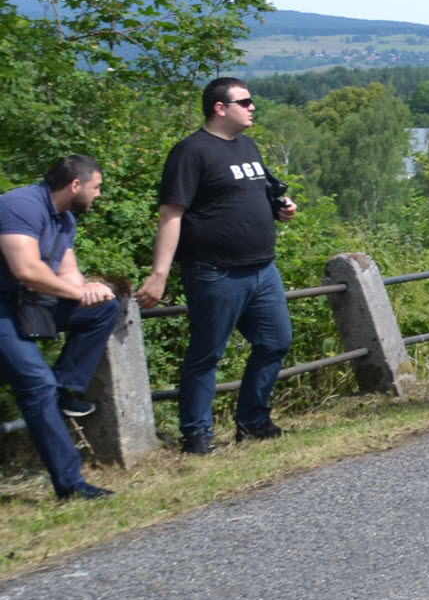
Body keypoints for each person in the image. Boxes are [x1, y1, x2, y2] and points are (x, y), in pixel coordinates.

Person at [140, 76, 300, 451]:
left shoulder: (247, 146)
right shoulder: (190, 152)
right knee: (206, 354)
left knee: (275, 342)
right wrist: (159, 274)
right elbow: (171, 214)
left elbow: (254, 194)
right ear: (220, 108)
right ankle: (196, 435)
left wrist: (280, 208)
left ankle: (253, 422)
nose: (252, 107)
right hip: (214, 272)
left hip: (263, 269)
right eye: (244, 102)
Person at [0, 156, 120, 501]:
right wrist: (78, 292)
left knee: (103, 308)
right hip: (4, 307)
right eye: (96, 187)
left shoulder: (64, 218)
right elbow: (26, 270)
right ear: (75, 185)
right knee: (38, 385)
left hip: (28, 304)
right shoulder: (20, 205)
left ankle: (66, 389)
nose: (98, 194)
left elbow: (68, 273)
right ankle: (70, 485)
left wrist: (89, 290)